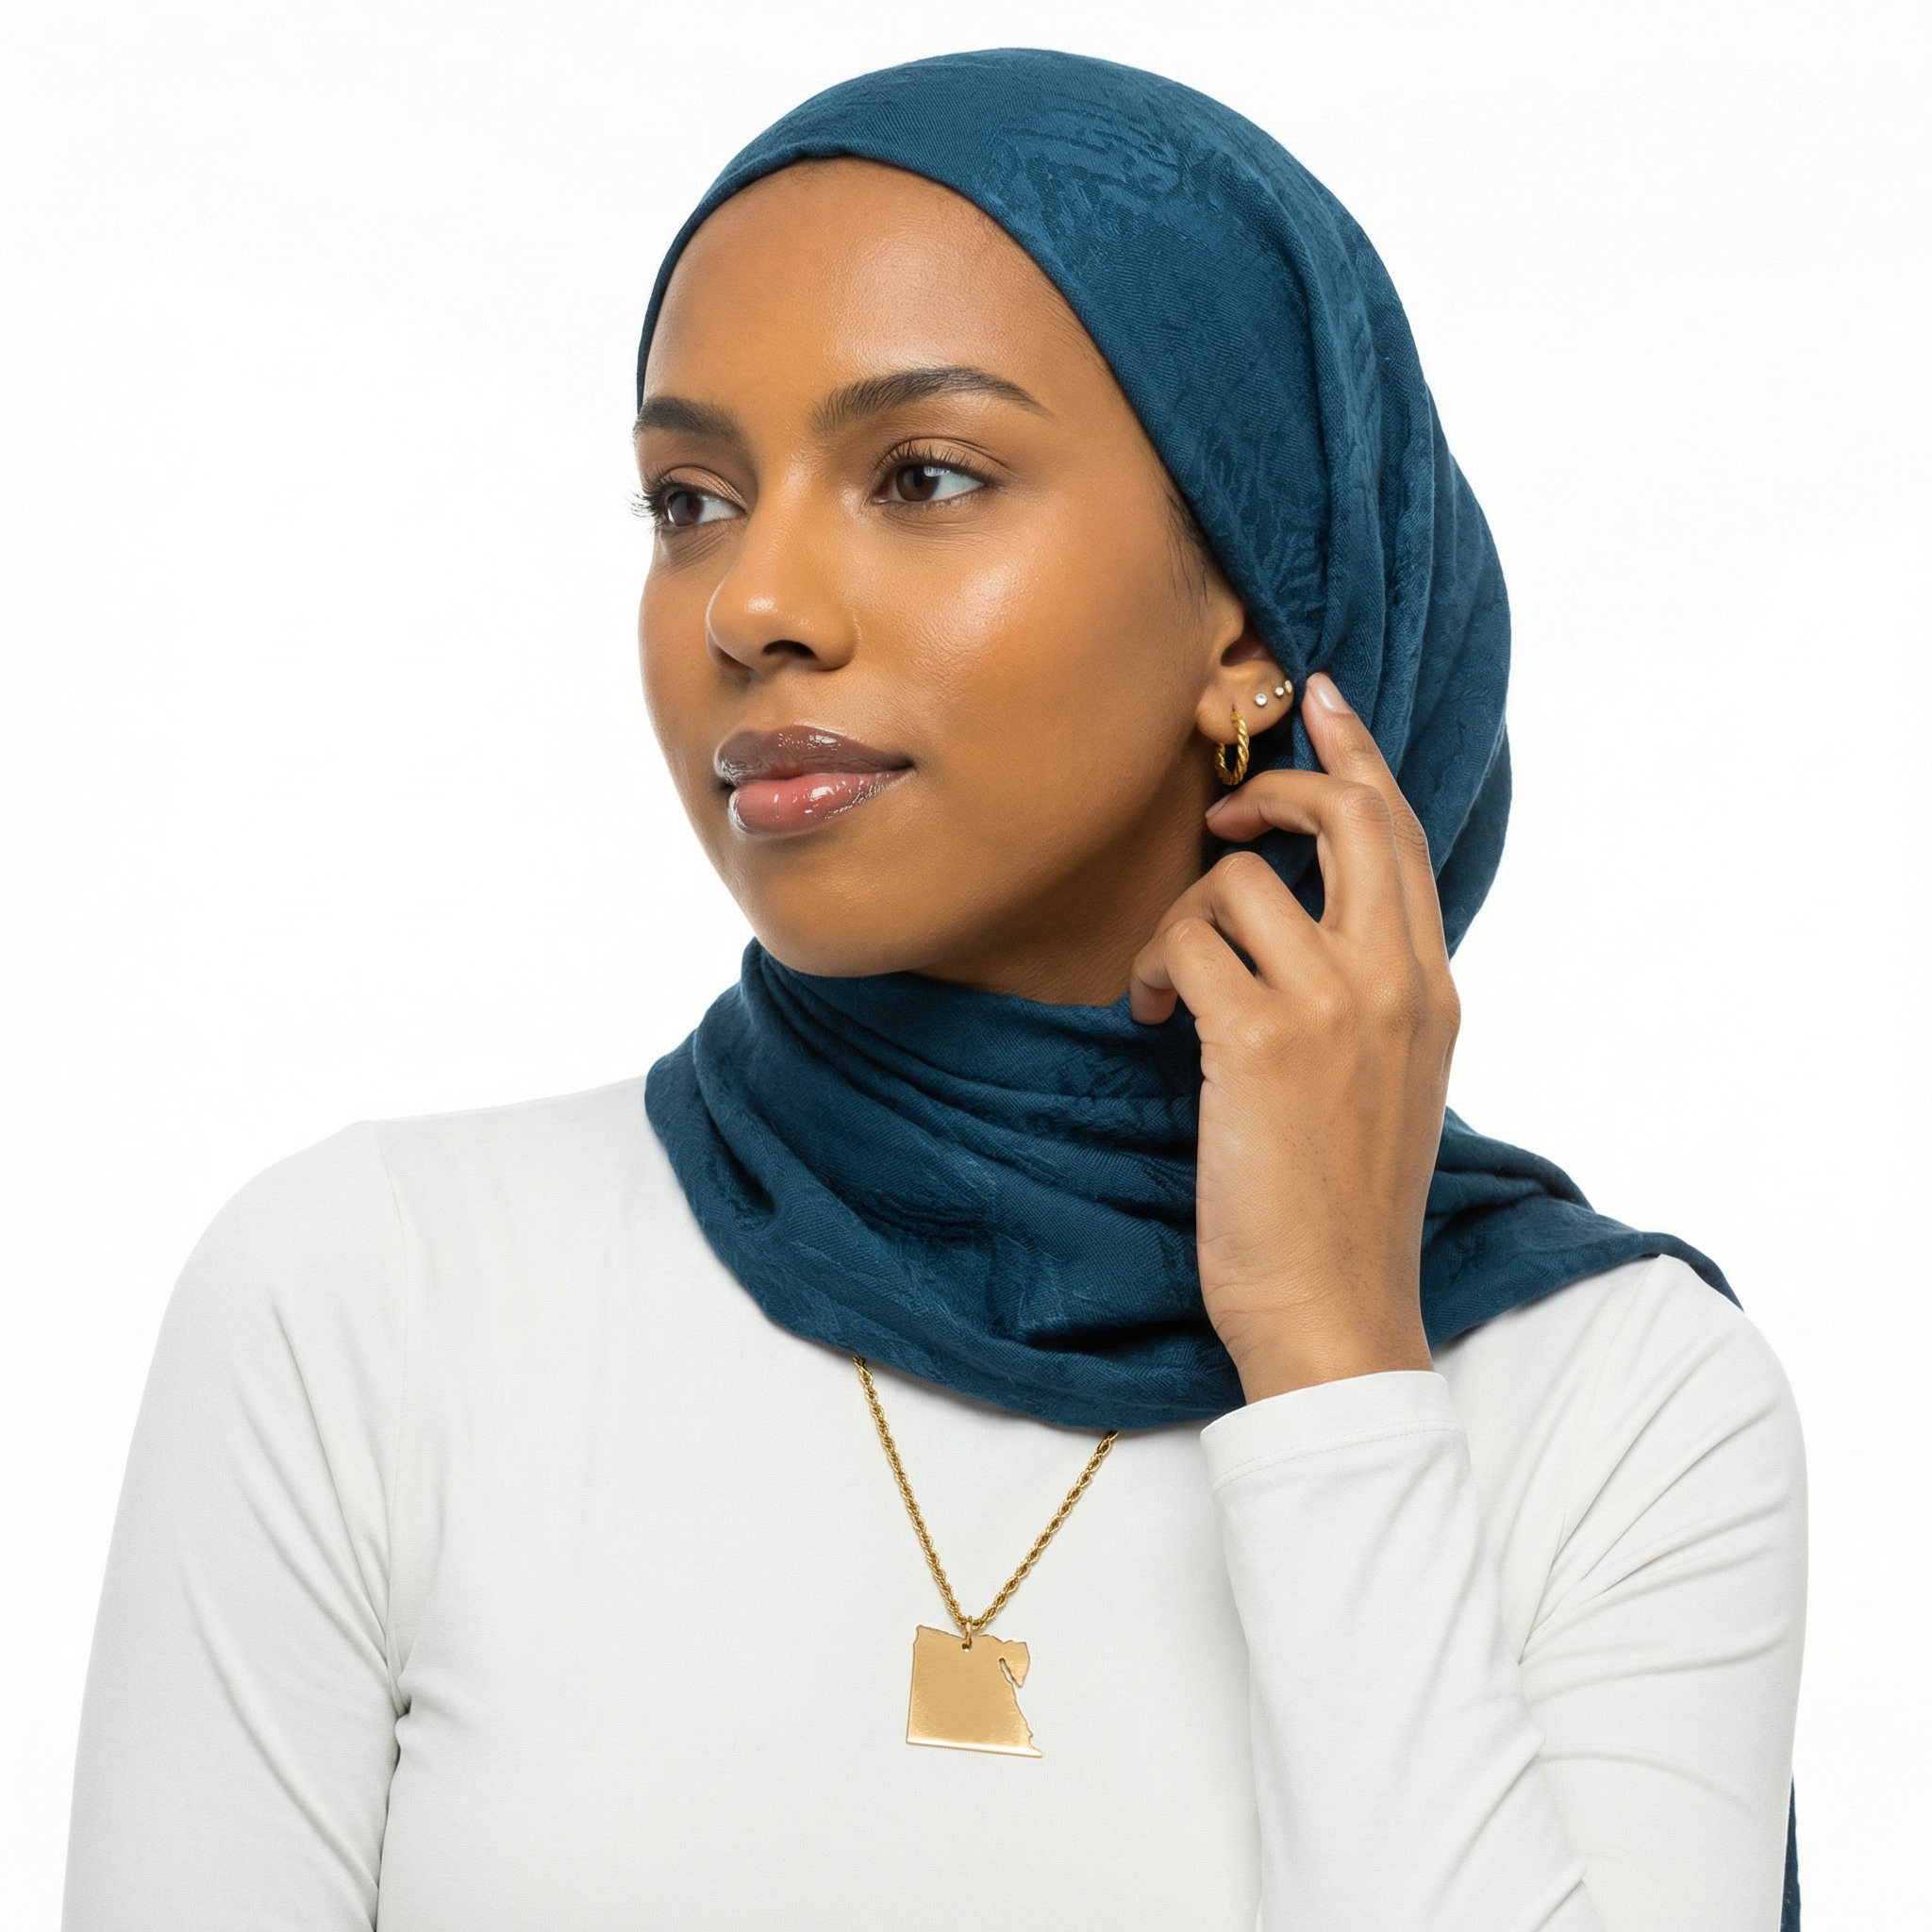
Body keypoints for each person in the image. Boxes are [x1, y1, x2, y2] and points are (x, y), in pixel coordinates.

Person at [62, 49, 1805, 1932]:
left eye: (924, 474)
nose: (753, 602)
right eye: (688, 498)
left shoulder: (1615, 1403)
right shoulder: (373, 1298)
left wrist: (1327, 1357)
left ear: (1246, 600)